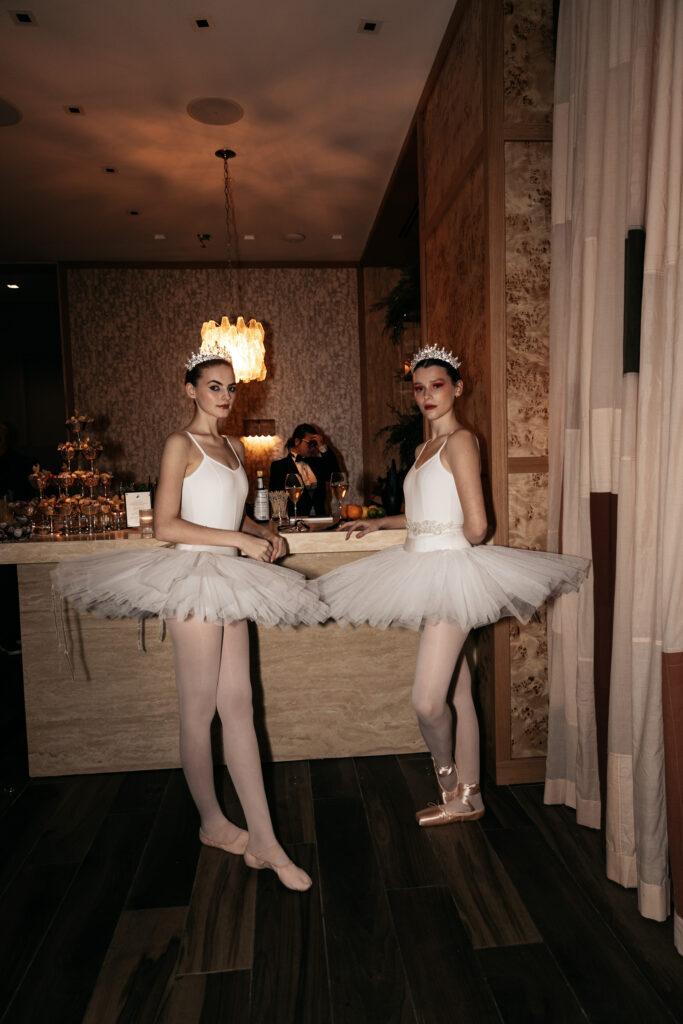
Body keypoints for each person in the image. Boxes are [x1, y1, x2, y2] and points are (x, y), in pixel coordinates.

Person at [52, 352, 328, 890]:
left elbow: (229, 511)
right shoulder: (180, 444)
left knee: (241, 707)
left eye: (230, 387)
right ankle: (212, 822)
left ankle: (265, 841)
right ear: (190, 390)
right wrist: (240, 539)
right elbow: (168, 524)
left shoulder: (230, 447)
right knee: (199, 710)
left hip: (228, 578)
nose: (225, 396)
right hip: (190, 577)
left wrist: (260, 531)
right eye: (213, 386)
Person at [314, 344, 589, 826]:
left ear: (457, 388)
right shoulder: (424, 449)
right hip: (423, 569)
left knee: (427, 699)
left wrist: (442, 547)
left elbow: (477, 525)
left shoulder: (462, 440)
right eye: (419, 389)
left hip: (448, 572)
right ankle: (472, 798)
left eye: (437, 386)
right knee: (458, 689)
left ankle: (448, 783)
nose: (427, 396)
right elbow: (428, 512)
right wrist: (385, 524)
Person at [269, 423, 340, 517]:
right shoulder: (279, 466)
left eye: (315, 444)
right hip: (294, 522)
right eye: (310, 443)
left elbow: (336, 476)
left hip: (320, 521)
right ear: (297, 441)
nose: (313, 447)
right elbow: (276, 499)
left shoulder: (317, 464)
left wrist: (322, 447)